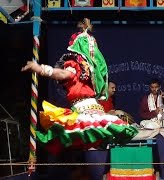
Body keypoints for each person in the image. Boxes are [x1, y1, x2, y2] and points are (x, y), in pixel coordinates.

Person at [21, 18, 138, 179]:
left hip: (84, 112)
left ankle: (73, 173)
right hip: (92, 111)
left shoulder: (78, 65)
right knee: (76, 146)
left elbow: (63, 73)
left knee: (66, 142)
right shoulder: (92, 70)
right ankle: (79, 173)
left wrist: (40, 68)